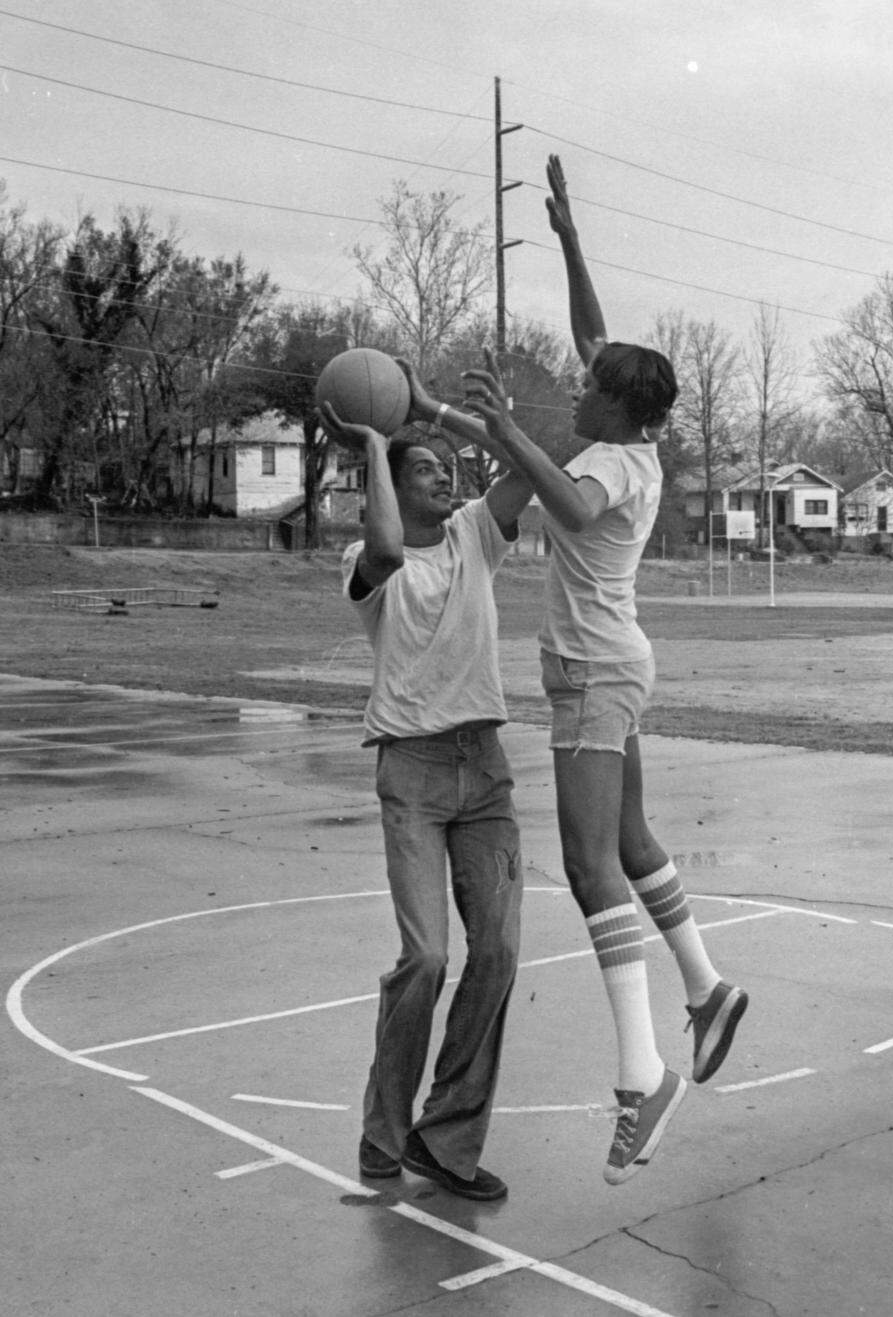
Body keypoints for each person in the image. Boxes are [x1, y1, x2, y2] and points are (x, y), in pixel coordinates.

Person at [459, 156, 748, 1186]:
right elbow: (596, 336)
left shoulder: (610, 468)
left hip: (592, 675)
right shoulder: (630, 431)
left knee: (590, 867)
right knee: (627, 841)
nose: (578, 387)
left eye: (589, 388)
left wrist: (501, 431)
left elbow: (567, 508)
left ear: (622, 412)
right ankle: (708, 990)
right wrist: (572, 237)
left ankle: (644, 1076)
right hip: (613, 666)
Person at [321, 382, 533, 1203]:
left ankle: (444, 1137)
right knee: (428, 957)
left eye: (449, 470)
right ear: (392, 482)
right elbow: (379, 541)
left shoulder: (478, 533)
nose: (446, 479)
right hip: (410, 770)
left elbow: (525, 467)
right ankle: (384, 1126)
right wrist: (373, 440)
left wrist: (435, 411)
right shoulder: (369, 563)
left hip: (485, 770)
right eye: (427, 472)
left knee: (502, 952)